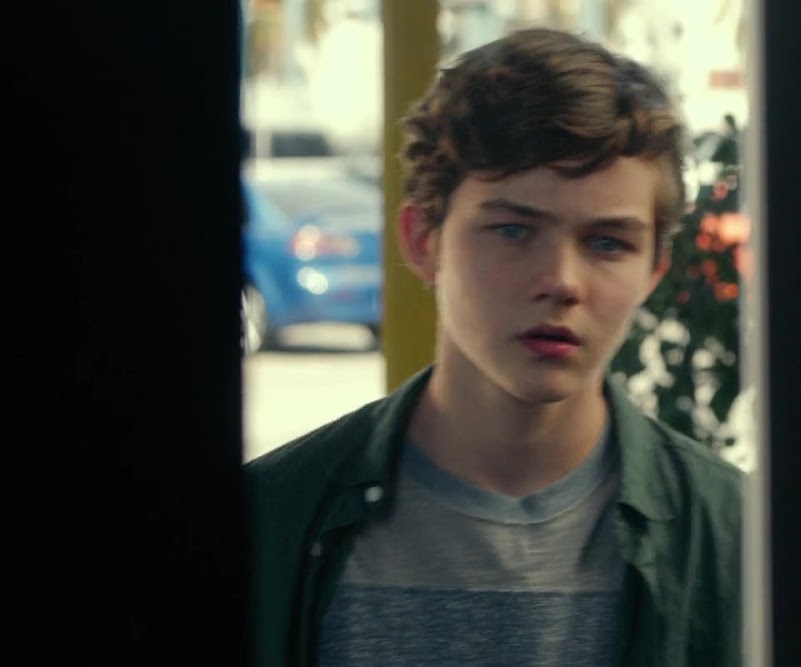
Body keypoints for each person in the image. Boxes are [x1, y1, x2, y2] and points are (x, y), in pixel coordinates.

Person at [245, 27, 744, 667]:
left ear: (652, 270)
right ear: (423, 240)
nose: (561, 281)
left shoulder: (735, 538)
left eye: (607, 243)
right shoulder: (273, 520)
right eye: (513, 230)